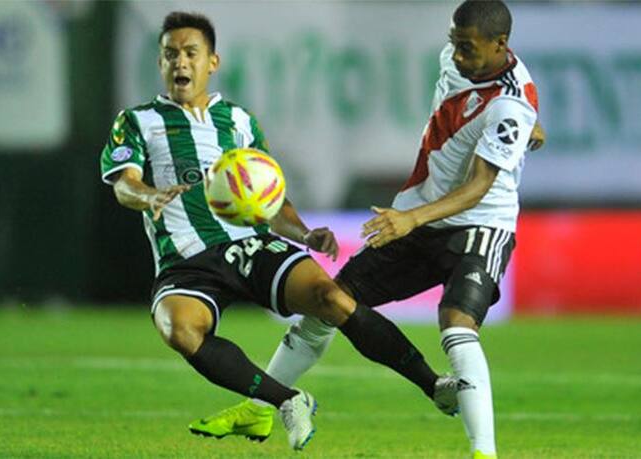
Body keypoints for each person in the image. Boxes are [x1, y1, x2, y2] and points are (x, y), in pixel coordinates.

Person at [190, 2, 540, 458]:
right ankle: (258, 408)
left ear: (500, 45)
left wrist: (411, 218)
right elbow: (503, 116)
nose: (456, 56)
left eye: (468, 49)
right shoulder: (462, 68)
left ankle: (484, 453)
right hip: (420, 214)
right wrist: (531, 128)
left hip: (479, 224)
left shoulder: (511, 103)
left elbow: (478, 187)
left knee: (456, 323)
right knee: (328, 303)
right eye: (454, 44)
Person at [101, 11, 463, 451]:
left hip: (249, 244)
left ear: (212, 62)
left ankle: (433, 385)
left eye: (190, 53)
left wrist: (304, 233)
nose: (180, 63)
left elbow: (269, 199)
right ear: (159, 63)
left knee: (333, 298)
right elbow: (124, 184)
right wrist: (150, 197)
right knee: (179, 328)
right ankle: (289, 401)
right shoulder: (137, 121)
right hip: (186, 259)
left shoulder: (239, 122)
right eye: (170, 54)